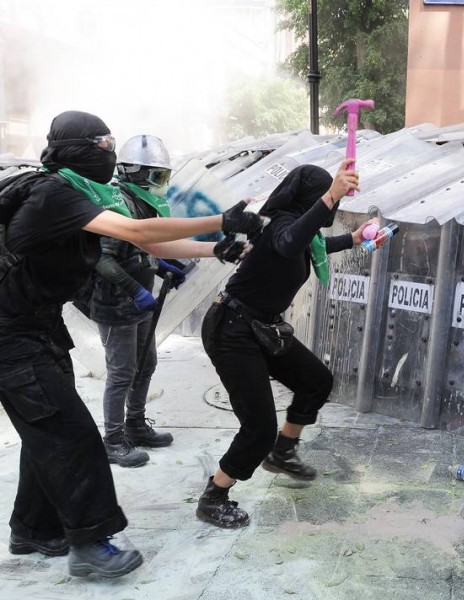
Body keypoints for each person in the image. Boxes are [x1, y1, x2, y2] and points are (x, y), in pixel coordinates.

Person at [0, 110, 261, 578]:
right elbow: (138, 233)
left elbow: (152, 246)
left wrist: (217, 246)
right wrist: (222, 218)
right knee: (72, 435)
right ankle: (90, 544)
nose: (110, 153)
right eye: (103, 144)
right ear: (78, 148)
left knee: (47, 433)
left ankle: (34, 529)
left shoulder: (84, 194)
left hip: (34, 327)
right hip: (10, 336)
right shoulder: (53, 194)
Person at [197, 160, 372, 528]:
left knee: (316, 381)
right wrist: (330, 195)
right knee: (258, 426)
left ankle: (283, 452)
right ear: (309, 198)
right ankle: (215, 495)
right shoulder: (281, 224)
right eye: (327, 200)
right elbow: (291, 241)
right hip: (232, 328)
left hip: (260, 326)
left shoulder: (299, 230)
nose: (333, 208)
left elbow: (313, 245)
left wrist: (356, 239)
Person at [85, 134, 222, 467]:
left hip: (138, 300)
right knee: (121, 372)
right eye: (157, 177)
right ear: (135, 173)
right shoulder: (119, 204)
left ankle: (135, 424)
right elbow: (103, 260)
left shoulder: (144, 203)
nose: (162, 185)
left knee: (146, 363)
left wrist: (161, 267)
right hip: (116, 304)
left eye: (165, 176)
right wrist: (137, 290)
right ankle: (114, 440)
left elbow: (139, 249)